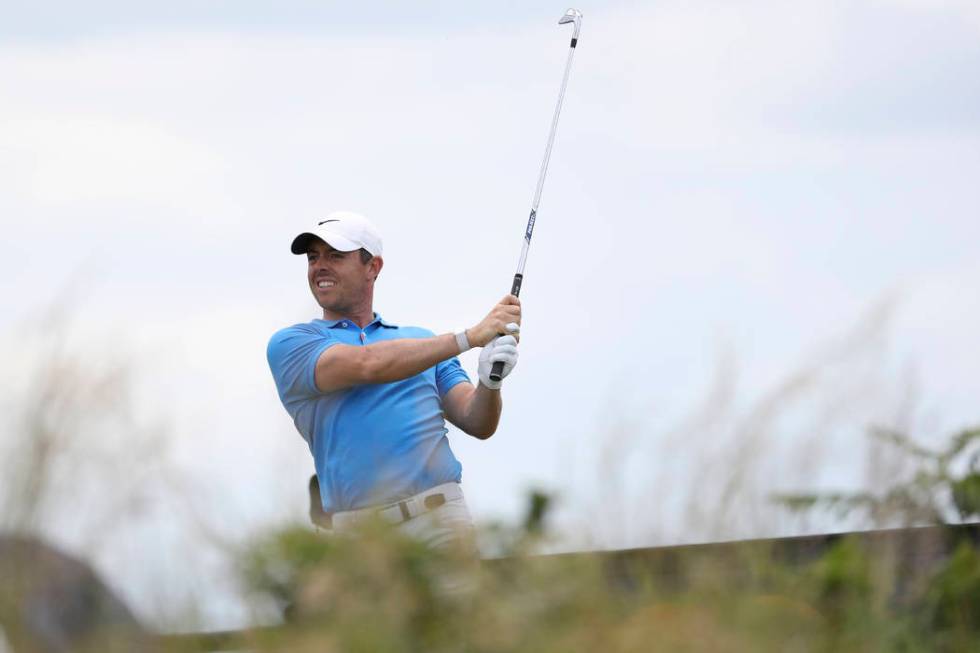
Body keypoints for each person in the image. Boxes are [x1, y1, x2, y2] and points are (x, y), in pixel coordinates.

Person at [267, 211, 520, 552]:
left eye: (335, 256)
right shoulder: (292, 344)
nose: (319, 267)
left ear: (373, 267)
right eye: (313, 258)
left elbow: (477, 421)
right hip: (357, 539)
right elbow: (367, 365)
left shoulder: (423, 342)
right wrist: (469, 337)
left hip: (440, 523)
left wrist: (490, 383)